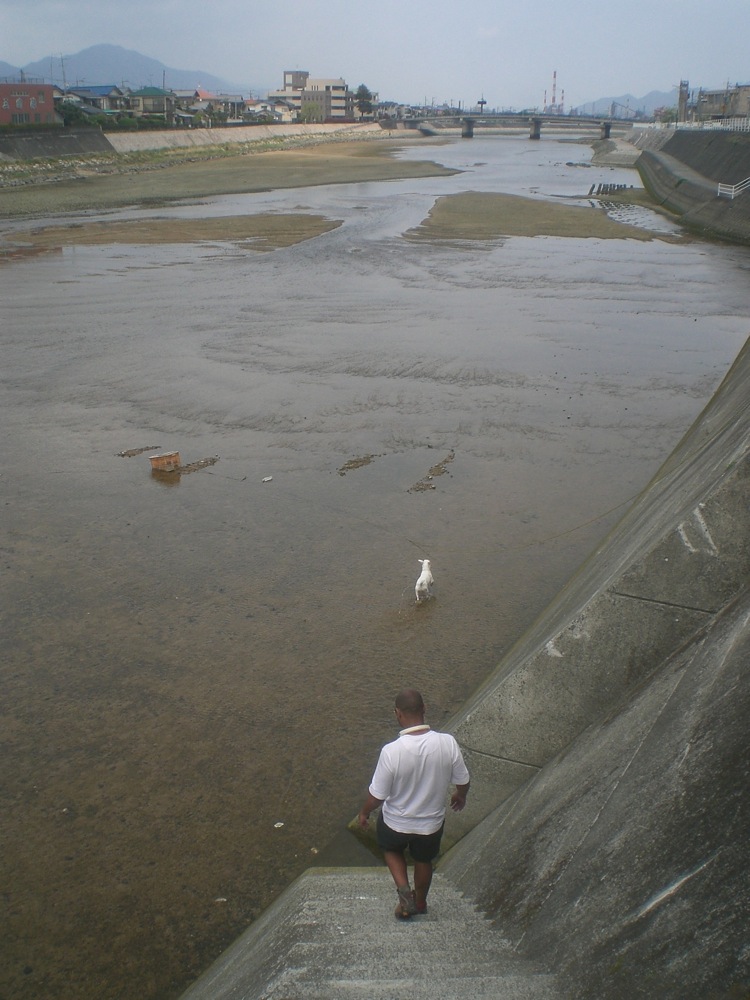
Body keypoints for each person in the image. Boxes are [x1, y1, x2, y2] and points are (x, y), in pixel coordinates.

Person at [358, 688, 470, 919]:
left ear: (397, 714)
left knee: (390, 849)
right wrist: (461, 795)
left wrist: (364, 813)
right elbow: (463, 780)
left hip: (396, 822)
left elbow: (378, 795)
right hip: (430, 824)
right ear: (424, 710)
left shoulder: (391, 751)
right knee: (424, 860)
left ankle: (404, 891)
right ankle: (420, 903)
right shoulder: (447, 743)